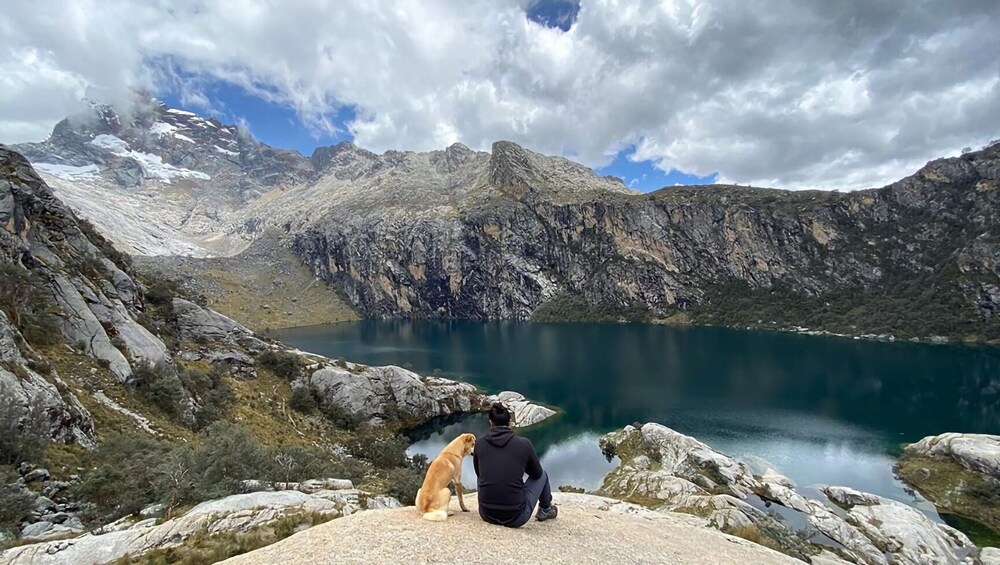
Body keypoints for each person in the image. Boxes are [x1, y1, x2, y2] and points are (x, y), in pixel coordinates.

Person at [473, 402, 558, 527]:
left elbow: (478, 473)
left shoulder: (479, 444)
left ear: (490, 422)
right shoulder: (523, 444)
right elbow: (536, 474)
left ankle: (490, 501)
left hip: (486, 513)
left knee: (484, 472)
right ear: (510, 423)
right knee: (543, 475)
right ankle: (545, 509)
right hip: (516, 517)